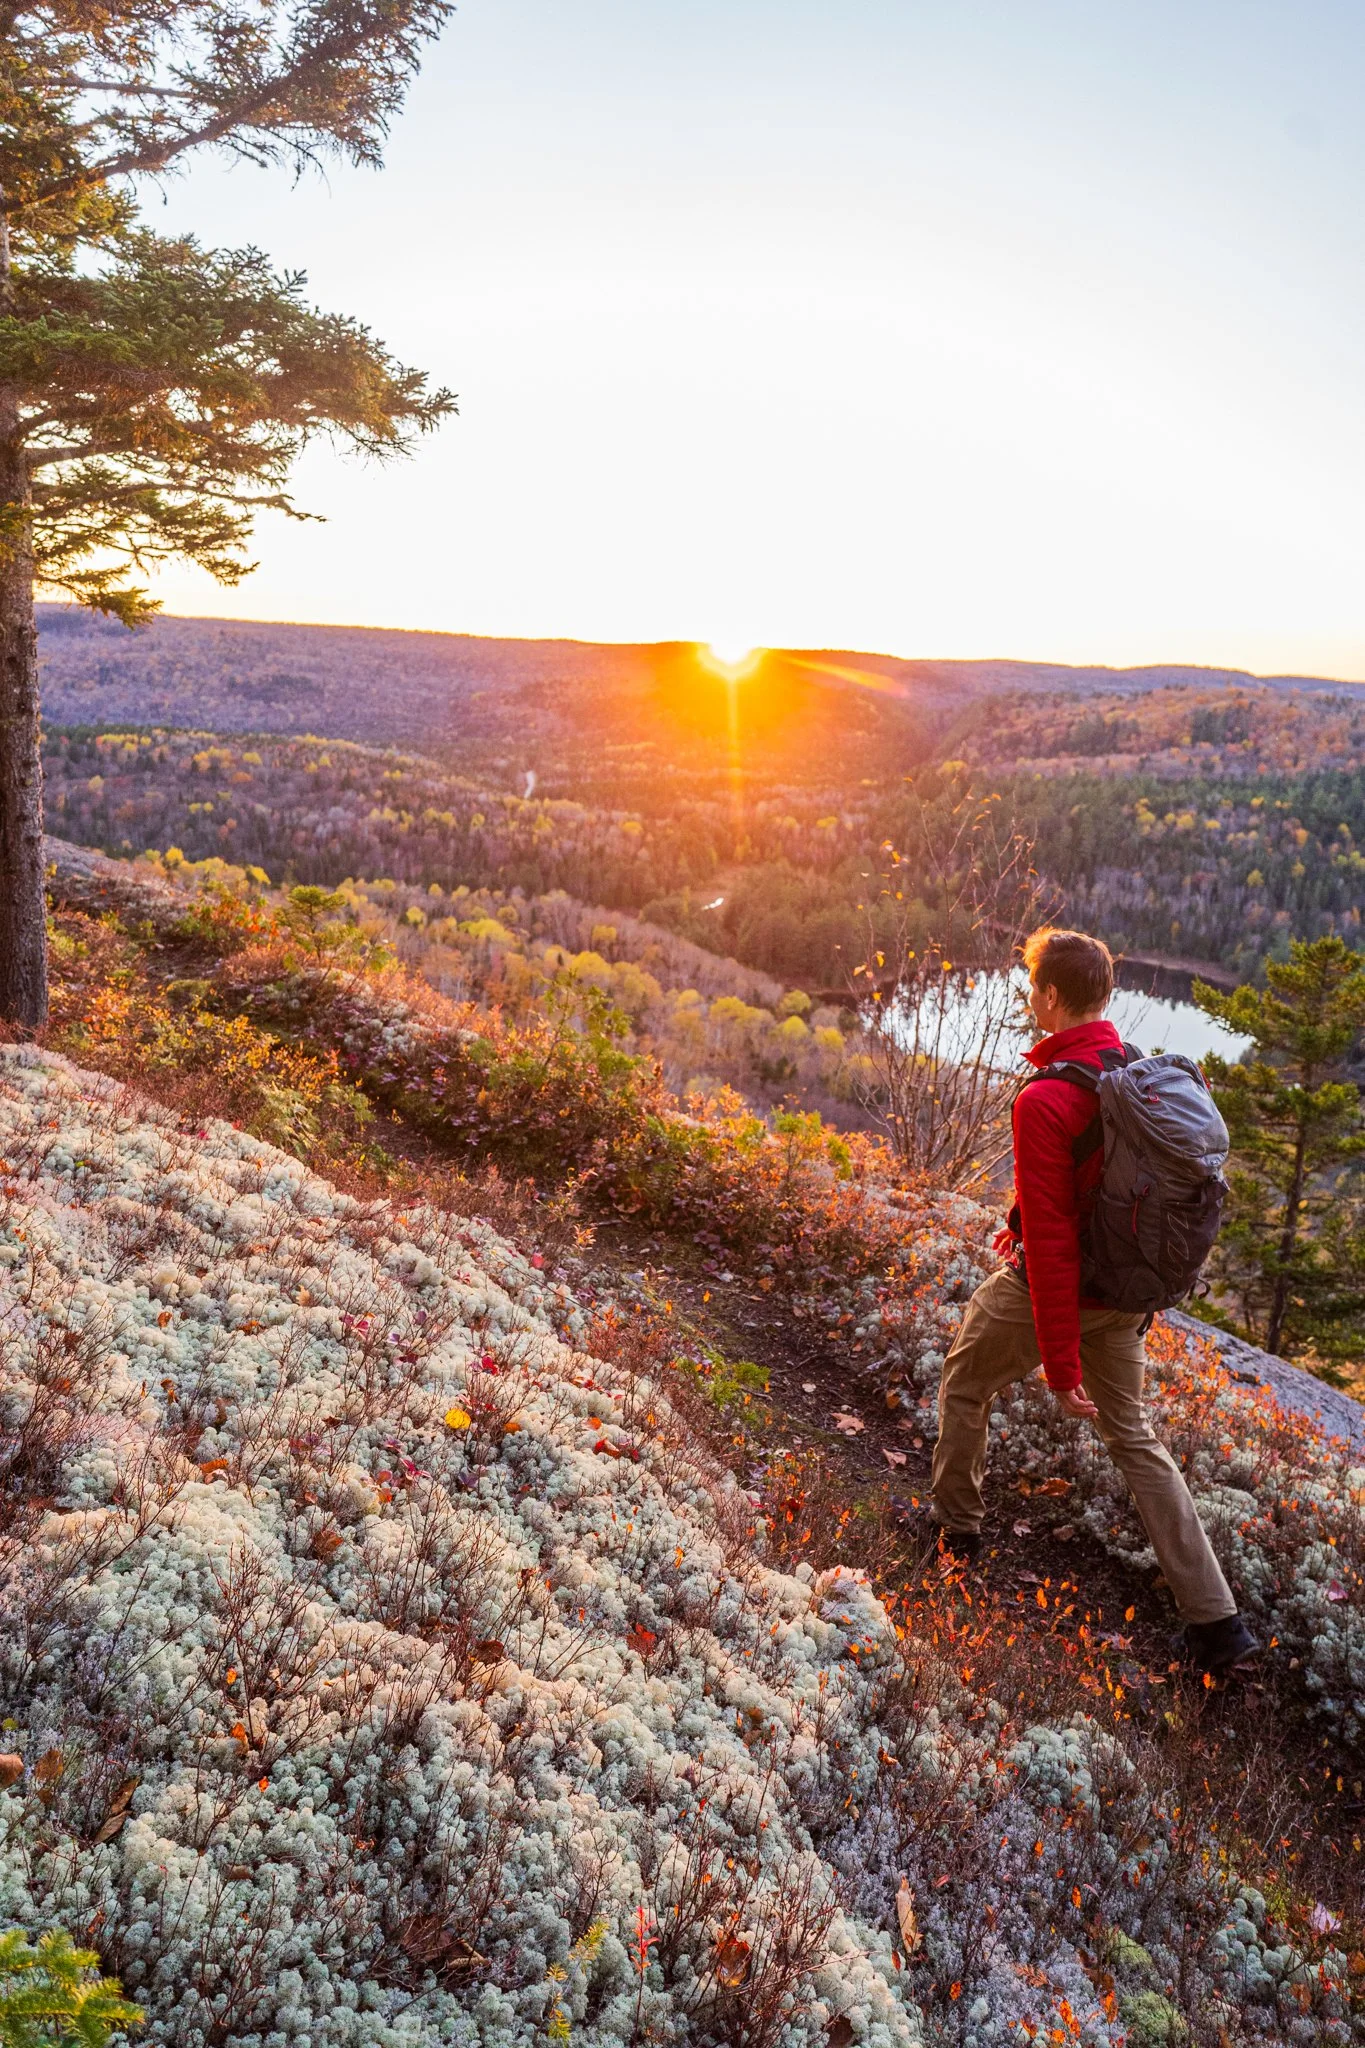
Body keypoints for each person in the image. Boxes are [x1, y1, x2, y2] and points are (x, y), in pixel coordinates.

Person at [926, 926, 1258, 1677]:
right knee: (1135, 1441)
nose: (1026, 999)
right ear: (1103, 993)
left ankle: (957, 1534)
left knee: (965, 1380)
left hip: (1062, 1293)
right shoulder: (1134, 1071)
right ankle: (1218, 1627)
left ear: (1048, 996)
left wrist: (1056, 1362)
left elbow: (1049, 1242)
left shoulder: (1044, 1098)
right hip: (1125, 1293)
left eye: (1028, 988)